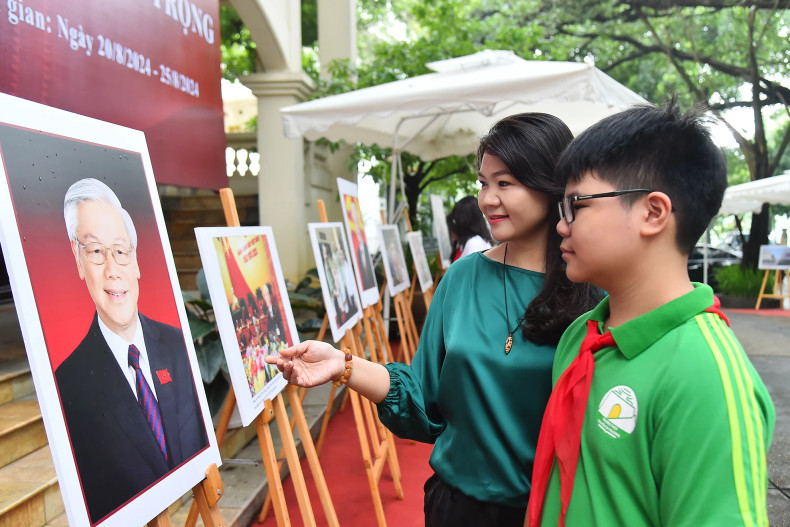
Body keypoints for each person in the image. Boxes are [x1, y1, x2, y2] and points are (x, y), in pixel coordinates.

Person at [267, 114, 604, 526]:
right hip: (456, 508)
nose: (487, 199)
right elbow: (424, 399)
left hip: (553, 513)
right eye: (483, 183)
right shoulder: (462, 277)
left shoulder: (593, 289)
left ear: (549, 185)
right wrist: (345, 366)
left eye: (505, 183)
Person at [527, 102, 776, 527]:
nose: (561, 226)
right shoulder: (581, 336)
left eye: (576, 205)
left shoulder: (705, 375)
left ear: (653, 213)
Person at [56, 178, 208, 524]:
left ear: (136, 261)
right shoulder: (69, 383)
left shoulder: (178, 345)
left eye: (120, 251)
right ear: (78, 261)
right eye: (95, 252)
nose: (113, 270)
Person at [447, 195, 494, 262]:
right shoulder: (465, 243)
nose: (455, 224)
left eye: (456, 219)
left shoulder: (474, 244)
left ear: (464, 221)